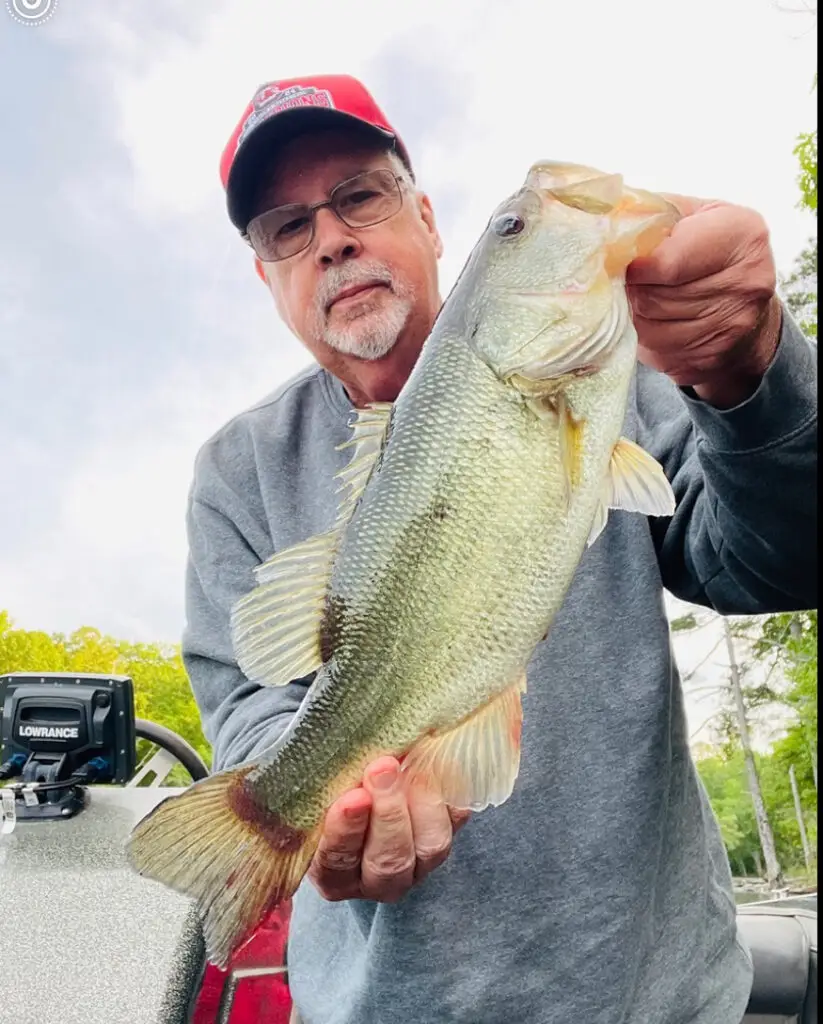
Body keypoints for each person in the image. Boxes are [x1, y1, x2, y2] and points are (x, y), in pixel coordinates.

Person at [182, 74, 818, 1024]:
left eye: (359, 195)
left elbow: (777, 563)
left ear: (429, 219)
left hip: (661, 998)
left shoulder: (621, 380)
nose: (331, 239)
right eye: (287, 228)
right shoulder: (239, 469)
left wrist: (749, 372)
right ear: (267, 274)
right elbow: (249, 698)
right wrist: (323, 810)